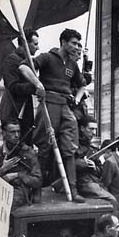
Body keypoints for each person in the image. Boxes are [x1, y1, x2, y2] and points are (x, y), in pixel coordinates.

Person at [19, 28, 87, 203]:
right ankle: (37, 190)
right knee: (44, 147)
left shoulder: (73, 64)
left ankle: (72, 190)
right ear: (63, 42)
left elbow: (82, 86)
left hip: (66, 106)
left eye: (79, 44)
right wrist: (38, 84)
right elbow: (23, 67)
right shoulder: (47, 57)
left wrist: (77, 101)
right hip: (48, 103)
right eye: (73, 43)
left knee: (70, 147)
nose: (77, 47)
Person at [0, 29, 39, 146]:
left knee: (26, 144)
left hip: (24, 112)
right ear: (25, 44)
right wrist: (35, 86)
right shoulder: (11, 60)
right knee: (13, 147)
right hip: (12, 112)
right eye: (35, 44)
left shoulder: (27, 62)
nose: (38, 48)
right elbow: (13, 86)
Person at [0, 120, 42, 210]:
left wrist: (17, 175)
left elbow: (38, 180)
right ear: (4, 133)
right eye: (12, 132)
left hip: (19, 190)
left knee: (6, 205)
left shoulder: (28, 152)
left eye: (18, 131)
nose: (17, 135)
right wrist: (2, 169)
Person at [75, 115, 117, 208]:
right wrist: (83, 163)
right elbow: (69, 164)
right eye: (91, 129)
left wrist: (94, 166)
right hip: (82, 182)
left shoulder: (93, 149)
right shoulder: (74, 145)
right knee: (112, 200)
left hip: (94, 182)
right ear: (82, 128)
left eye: (95, 129)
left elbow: (101, 170)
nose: (94, 132)